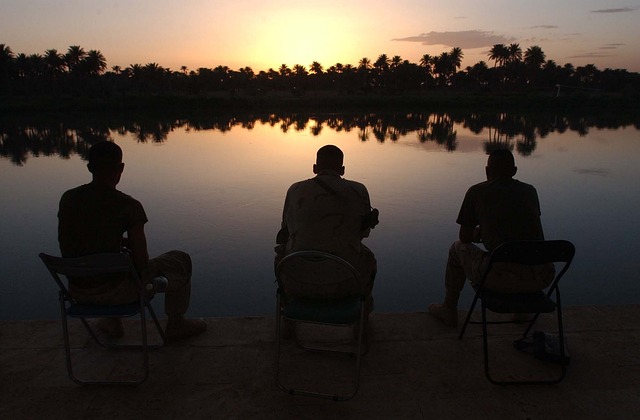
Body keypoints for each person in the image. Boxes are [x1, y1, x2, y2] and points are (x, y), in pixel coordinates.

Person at [58, 141, 206, 342]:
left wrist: (114, 245)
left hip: (78, 292)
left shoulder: (68, 199)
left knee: (116, 262)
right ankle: (176, 323)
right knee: (181, 260)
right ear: (121, 168)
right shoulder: (129, 206)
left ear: (90, 167)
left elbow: (73, 243)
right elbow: (141, 264)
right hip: (121, 294)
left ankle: (112, 322)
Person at [428, 149, 554, 327]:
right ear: (514, 171)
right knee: (519, 251)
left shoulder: (476, 192)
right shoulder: (530, 191)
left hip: (498, 278)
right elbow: (525, 229)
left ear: (487, 171)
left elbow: (464, 237)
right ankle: (521, 311)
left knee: (456, 248)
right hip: (540, 277)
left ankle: (449, 309)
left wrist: (477, 233)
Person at [275, 145, 378, 300]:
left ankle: (287, 315)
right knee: (369, 257)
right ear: (342, 170)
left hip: (298, 278)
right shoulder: (359, 190)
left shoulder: (295, 190)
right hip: (346, 278)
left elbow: (286, 231)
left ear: (315, 168)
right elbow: (363, 234)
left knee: (280, 253)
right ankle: (363, 316)